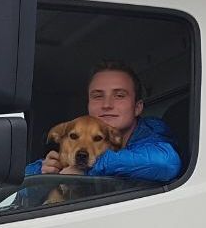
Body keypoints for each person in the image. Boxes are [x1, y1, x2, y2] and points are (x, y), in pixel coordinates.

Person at [26, 61, 181, 184]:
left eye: (119, 95)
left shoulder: (151, 134)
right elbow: (20, 182)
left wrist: (86, 169)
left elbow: (165, 164)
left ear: (137, 107)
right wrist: (44, 173)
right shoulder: (76, 147)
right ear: (88, 105)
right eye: (97, 96)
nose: (107, 105)